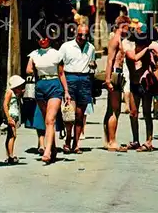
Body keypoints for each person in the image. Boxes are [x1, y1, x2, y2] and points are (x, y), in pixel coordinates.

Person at [26, 35, 70, 163]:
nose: (42, 40)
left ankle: (47, 151)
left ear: (49, 39)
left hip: (54, 84)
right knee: (46, 121)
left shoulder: (56, 54)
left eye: (44, 38)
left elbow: (61, 73)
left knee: (50, 120)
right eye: (39, 39)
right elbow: (28, 70)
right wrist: (31, 65)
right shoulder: (34, 54)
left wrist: (66, 91)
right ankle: (54, 148)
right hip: (40, 85)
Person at [57, 24, 96, 154]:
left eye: (85, 35)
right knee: (70, 114)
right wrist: (65, 89)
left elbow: (92, 65)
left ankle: (76, 143)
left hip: (85, 79)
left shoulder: (91, 48)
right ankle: (68, 140)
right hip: (70, 78)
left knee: (80, 115)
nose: (83, 37)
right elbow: (60, 67)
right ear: (75, 33)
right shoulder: (66, 47)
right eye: (80, 35)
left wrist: (93, 65)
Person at [124, 33, 158, 151]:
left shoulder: (148, 54)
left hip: (146, 86)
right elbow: (135, 58)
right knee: (133, 113)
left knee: (147, 113)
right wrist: (147, 48)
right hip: (134, 85)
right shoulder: (130, 52)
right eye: (140, 44)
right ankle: (136, 139)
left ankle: (148, 141)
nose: (141, 46)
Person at [104, 15, 131, 152]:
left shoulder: (120, 39)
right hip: (115, 74)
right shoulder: (115, 40)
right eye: (128, 26)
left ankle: (108, 140)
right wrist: (108, 80)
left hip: (117, 73)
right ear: (123, 25)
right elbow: (110, 61)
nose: (130, 29)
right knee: (115, 109)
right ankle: (112, 141)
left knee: (112, 109)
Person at [3, 75, 26, 164]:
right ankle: (11, 156)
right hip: (11, 116)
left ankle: (9, 155)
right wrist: (8, 117)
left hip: (14, 116)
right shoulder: (9, 92)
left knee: (11, 135)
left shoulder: (14, 93)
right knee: (12, 135)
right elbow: (5, 104)